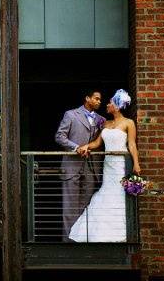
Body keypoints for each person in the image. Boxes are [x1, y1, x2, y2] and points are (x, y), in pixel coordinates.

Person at [68, 89, 141, 242]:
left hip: (121, 164)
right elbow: (97, 143)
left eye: (110, 103)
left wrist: (136, 164)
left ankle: (121, 233)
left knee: (120, 195)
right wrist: (86, 146)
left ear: (118, 106)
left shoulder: (129, 123)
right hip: (109, 165)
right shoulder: (106, 123)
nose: (107, 105)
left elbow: (132, 144)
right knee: (107, 191)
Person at [55, 89, 106, 241]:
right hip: (71, 166)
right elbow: (59, 136)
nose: (99, 101)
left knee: (86, 208)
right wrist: (76, 147)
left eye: (100, 100)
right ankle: (69, 244)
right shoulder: (70, 114)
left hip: (91, 168)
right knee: (70, 207)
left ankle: (83, 241)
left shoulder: (101, 120)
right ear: (87, 98)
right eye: (96, 98)